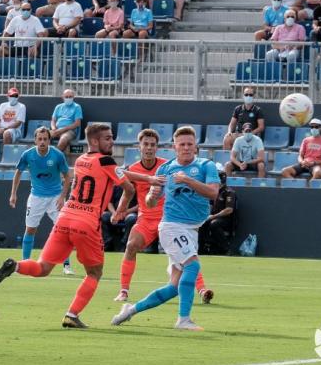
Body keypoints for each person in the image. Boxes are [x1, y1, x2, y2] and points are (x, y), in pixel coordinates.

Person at [0, 123, 135, 328]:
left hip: (65, 217)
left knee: (43, 268)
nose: (112, 141)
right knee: (94, 273)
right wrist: (120, 211)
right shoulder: (107, 161)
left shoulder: (81, 160)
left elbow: (115, 174)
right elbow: (128, 189)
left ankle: (16, 266)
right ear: (95, 141)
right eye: (108, 138)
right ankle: (71, 315)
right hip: (86, 222)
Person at [111, 126, 219, 331]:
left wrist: (187, 179)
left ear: (196, 146)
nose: (186, 148)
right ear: (174, 147)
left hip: (192, 229)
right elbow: (152, 201)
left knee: (174, 287)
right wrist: (151, 196)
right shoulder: (165, 169)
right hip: (171, 226)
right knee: (193, 266)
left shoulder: (206, 165)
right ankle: (183, 319)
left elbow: (213, 194)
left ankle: (129, 310)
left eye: (190, 144)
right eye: (182, 145)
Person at [9, 126, 74, 275]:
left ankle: (66, 265)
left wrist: (62, 196)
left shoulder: (57, 155)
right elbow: (18, 172)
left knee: (64, 231)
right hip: (36, 197)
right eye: (40, 139)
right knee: (30, 229)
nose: (43, 142)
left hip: (55, 197)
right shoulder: (28, 155)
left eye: (45, 139)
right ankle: (25, 263)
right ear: (35, 140)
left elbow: (67, 176)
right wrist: (13, 194)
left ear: (49, 140)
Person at [199, 167, 237, 255]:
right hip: (213, 216)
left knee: (214, 224)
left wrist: (213, 216)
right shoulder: (214, 191)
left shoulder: (229, 192)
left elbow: (229, 210)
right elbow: (210, 205)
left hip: (227, 219)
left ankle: (226, 249)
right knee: (201, 223)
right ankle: (201, 249)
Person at [101, 184, 138, 251]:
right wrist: (114, 213)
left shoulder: (136, 187)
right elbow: (109, 203)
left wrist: (126, 212)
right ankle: (108, 242)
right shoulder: (115, 187)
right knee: (103, 216)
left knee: (131, 219)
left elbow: (139, 205)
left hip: (130, 213)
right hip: (115, 213)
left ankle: (125, 244)